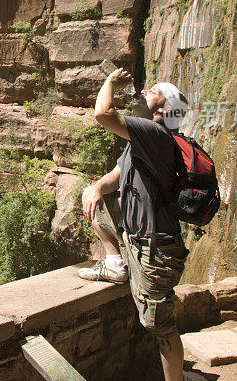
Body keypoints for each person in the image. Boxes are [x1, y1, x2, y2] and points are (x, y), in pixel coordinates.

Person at [78, 67, 190, 381]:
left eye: (153, 91)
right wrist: (98, 187)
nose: (143, 91)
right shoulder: (140, 139)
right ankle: (115, 262)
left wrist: (110, 83)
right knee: (95, 197)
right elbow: (117, 175)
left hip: (156, 249)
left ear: (165, 110)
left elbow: (103, 113)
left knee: (160, 325)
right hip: (136, 237)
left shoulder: (156, 134)